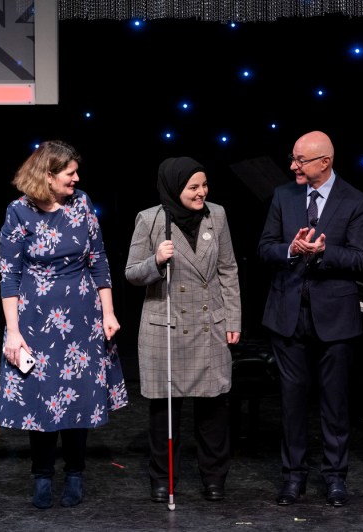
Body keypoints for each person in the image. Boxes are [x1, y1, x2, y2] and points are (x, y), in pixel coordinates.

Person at [0, 140, 128, 509]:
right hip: (35, 317)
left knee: (77, 398)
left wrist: (109, 311)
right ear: (48, 175)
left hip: (82, 315)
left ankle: (75, 473)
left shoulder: (81, 202)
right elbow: (9, 276)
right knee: (41, 397)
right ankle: (41, 476)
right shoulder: (18, 211)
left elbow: (98, 258)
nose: (77, 178)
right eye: (70, 173)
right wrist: (14, 331)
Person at [258, 130, 363, 507]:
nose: (292, 166)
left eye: (299, 160)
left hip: (335, 318)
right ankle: (293, 478)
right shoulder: (283, 195)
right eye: (293, 158)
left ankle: (335, 478)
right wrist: (290, 249)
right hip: (288, 314)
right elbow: (264, 247)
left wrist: (324, 253)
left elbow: (358, 259)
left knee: (335, 404)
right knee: (291, 403)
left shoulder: (355, 201)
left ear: (324, 162)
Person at [125, 156, 241, 503]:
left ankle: (214, 478)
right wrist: (156, 261)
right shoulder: (151, 220)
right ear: (176, 188)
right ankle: (163, 479)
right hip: (167, 327)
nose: (201, 192)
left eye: (204, 185)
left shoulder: (216, 215)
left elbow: (228, 269)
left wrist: (233, 319)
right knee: (165, 414)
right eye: (193, 187)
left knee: (212, 411)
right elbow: (132, 273)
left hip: (209, 326)